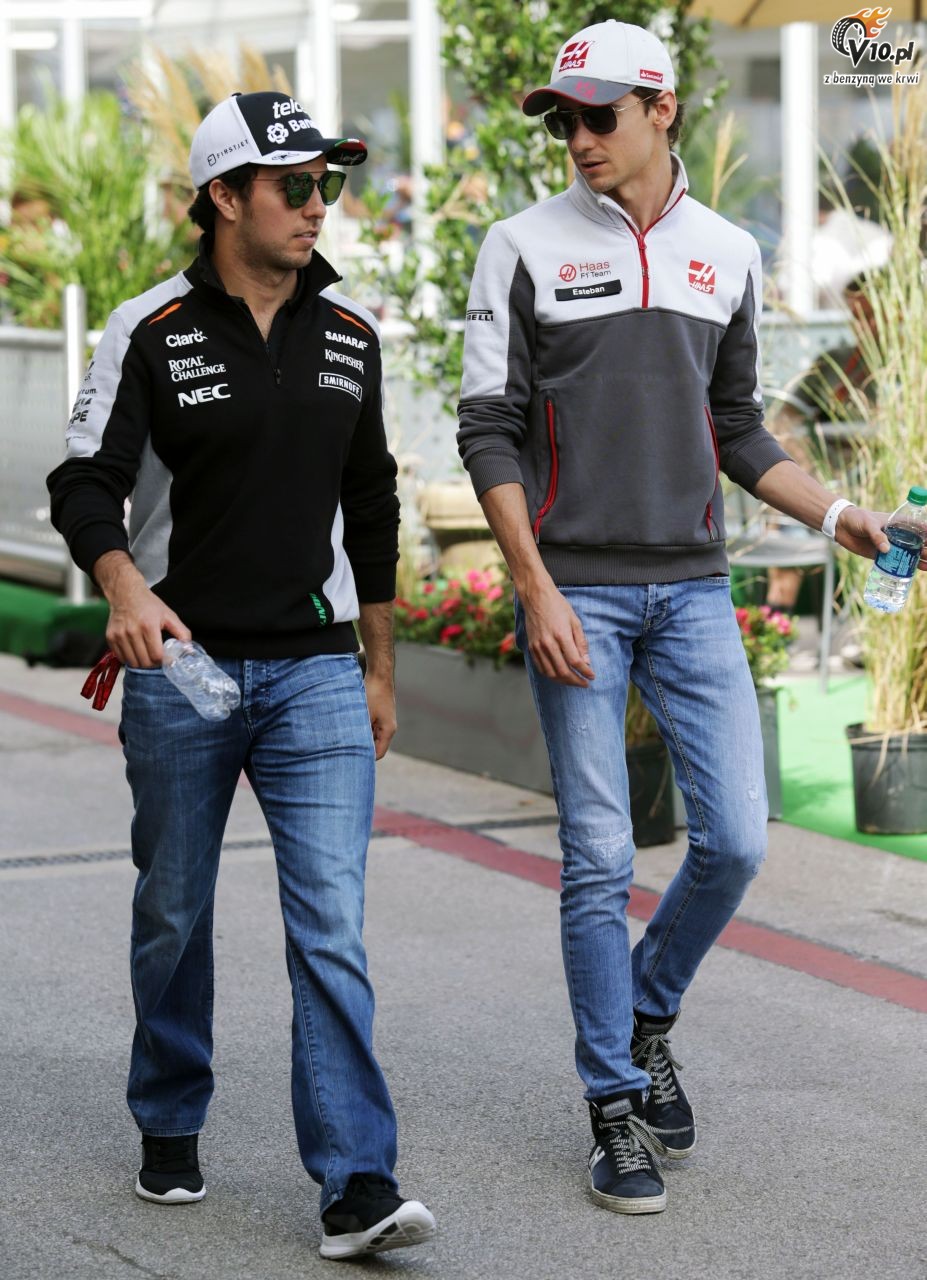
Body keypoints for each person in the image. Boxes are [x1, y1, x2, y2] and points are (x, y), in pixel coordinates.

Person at [456, 21, 896, 1216]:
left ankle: (647, 1007)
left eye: (599, 115)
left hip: (695, 587)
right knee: (600, 852)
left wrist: (841, 514)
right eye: (563, 119)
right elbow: (487, 425)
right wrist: (535, 585)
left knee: (740, 837)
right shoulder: (520, 245)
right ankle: (613, 1099)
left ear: (662, 111)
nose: (577, 138)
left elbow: (737, 426)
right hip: (576, 592)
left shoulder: (726, 252)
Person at [47, 90, 435, 1261]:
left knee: (332, 925)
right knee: (174, 907)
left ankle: (357, 1183)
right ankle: (171, 1110)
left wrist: (379, 664)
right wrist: (125, 588)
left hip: (318, 669)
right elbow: (83, 482)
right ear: (224, 197)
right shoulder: (147, 328)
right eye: (295, 185)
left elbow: (373, 502)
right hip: (185, 669)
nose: (320, 205)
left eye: (330, 184)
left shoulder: (351, 333)